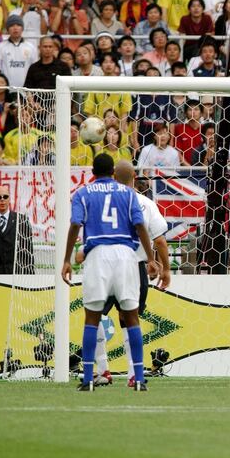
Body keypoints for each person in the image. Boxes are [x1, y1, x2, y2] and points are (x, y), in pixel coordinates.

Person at [62, 154, 161, 392]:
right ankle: (137, 377)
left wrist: (67, 259)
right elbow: (140, 226)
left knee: (92, 319)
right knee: (131, 317)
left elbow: (75, 225)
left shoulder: (83, 193)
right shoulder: (128, 194)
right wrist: (150, 258)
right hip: (126, 255)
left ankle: (88, 378)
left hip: (97, 255)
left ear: (93, 173)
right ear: (113, 173)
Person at [84, 161, 171, 388]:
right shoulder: (144, 203)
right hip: (133, 267)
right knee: (130, 319)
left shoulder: (100, 200)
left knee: (97, 316)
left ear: (112, 175)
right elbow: (160, 239)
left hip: (102, 264)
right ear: (134, 176)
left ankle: (102, 371)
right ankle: (134, 374)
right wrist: (164, 267)